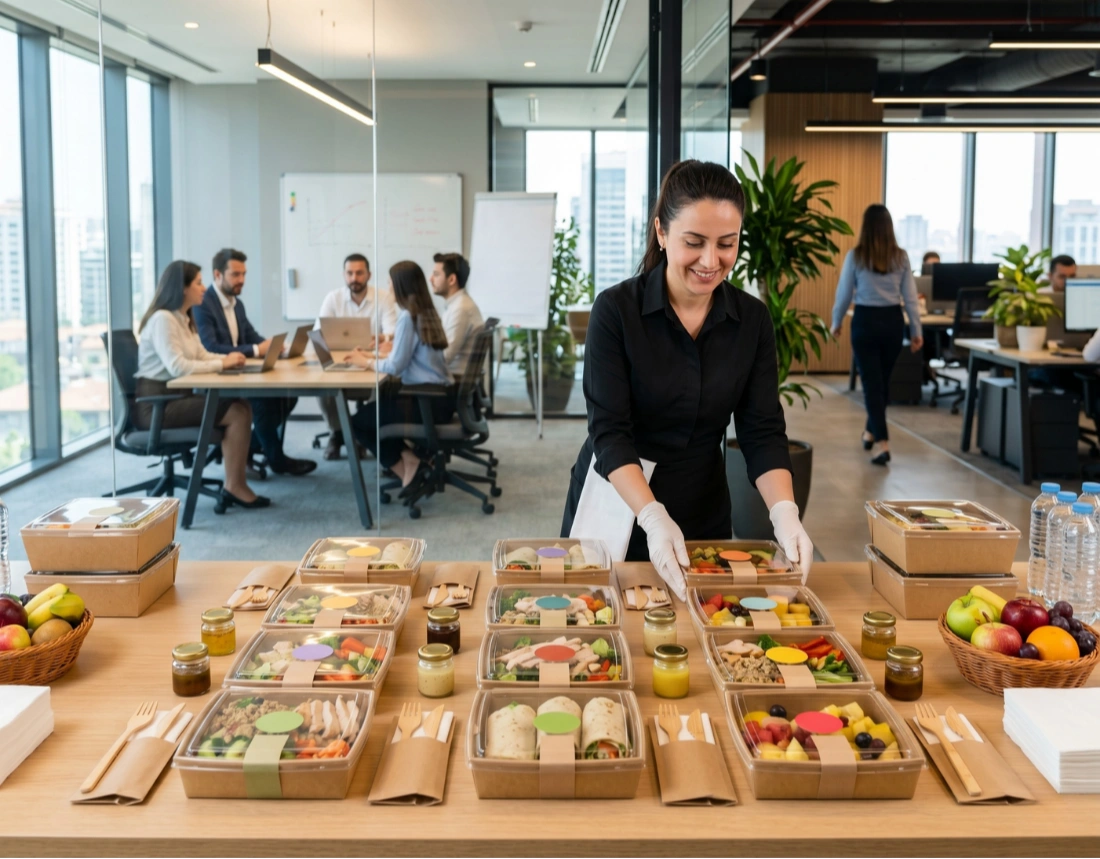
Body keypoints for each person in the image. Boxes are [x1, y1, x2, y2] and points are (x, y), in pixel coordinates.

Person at [559, 160, 814, 599]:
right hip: (620, 498)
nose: (711, 261)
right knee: (599, 620)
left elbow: (762, 430)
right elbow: (610, 433)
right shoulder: (616, 312)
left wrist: (785, 513)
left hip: (701, 502)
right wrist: (653, 518)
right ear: (661, 232)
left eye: (726, 244)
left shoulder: (750, 320)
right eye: (693, 242)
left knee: (700, 630)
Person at [135, 261, 269, 510]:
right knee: (238, 413)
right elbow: (178, 366)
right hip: (157, 406)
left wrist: (229, 360)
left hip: (176, 398)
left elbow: (201, 355)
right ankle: (235, 486)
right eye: (198, 282)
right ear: (182, 288)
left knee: (241, 406)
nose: (204, 288)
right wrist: (222, 365)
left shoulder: (183, 319)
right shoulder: (163, 320)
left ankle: (235, 483)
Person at [193, 248, 316, 476]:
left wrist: (275, 348)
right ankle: (276, 459)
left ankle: (249, 447)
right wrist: (257, 349)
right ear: (217, 275)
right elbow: (210, 347)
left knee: (287, 395)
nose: (242, 280)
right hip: (215, 379)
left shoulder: (236, 303)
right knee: (264, 401)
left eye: (244, 274)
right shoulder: (203, 304)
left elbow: (250, 336)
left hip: (238, 373)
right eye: (235, 275)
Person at [344, 261, 453, 487]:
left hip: (425, 403)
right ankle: (413, 470)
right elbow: (404, 357)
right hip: (440, 400)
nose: (388, 288)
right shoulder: (426, 311)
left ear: (400, 286)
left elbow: (395, 367)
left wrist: (364, 361)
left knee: (356, 423)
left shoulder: (407, 317)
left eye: (390, 283)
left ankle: (409, 467)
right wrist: (375, 355)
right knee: (380, 405)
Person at [831, 204, 924, 467]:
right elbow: (910, 299)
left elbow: (844, 293)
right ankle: (871, 431)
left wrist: (836, 322)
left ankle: (882, 444)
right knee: (879, 383)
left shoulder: (856, 256)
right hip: (892, 323)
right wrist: (916, 330)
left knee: (874, 384)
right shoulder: (901, 257)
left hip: (865, 322)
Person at [316, 253, 398, 460]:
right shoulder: (333, 298)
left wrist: (374, 344)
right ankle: (338, 433)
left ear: (368, 275)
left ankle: (363, 434)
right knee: (323, 390)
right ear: (344, 275)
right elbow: (318, 336)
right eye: (350, 273)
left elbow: (393, 334)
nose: (354, 278)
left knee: (380, 387)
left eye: (359, 273)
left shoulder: (384, 298)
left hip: (371, 364)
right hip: (341, 364)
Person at [430, 252, 484, 377]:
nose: (430, 279)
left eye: (436, 274)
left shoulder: (461, 309)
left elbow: (445, 357)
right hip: (452, 376)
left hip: (453, 380)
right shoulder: (456, 305)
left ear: (452, 279)